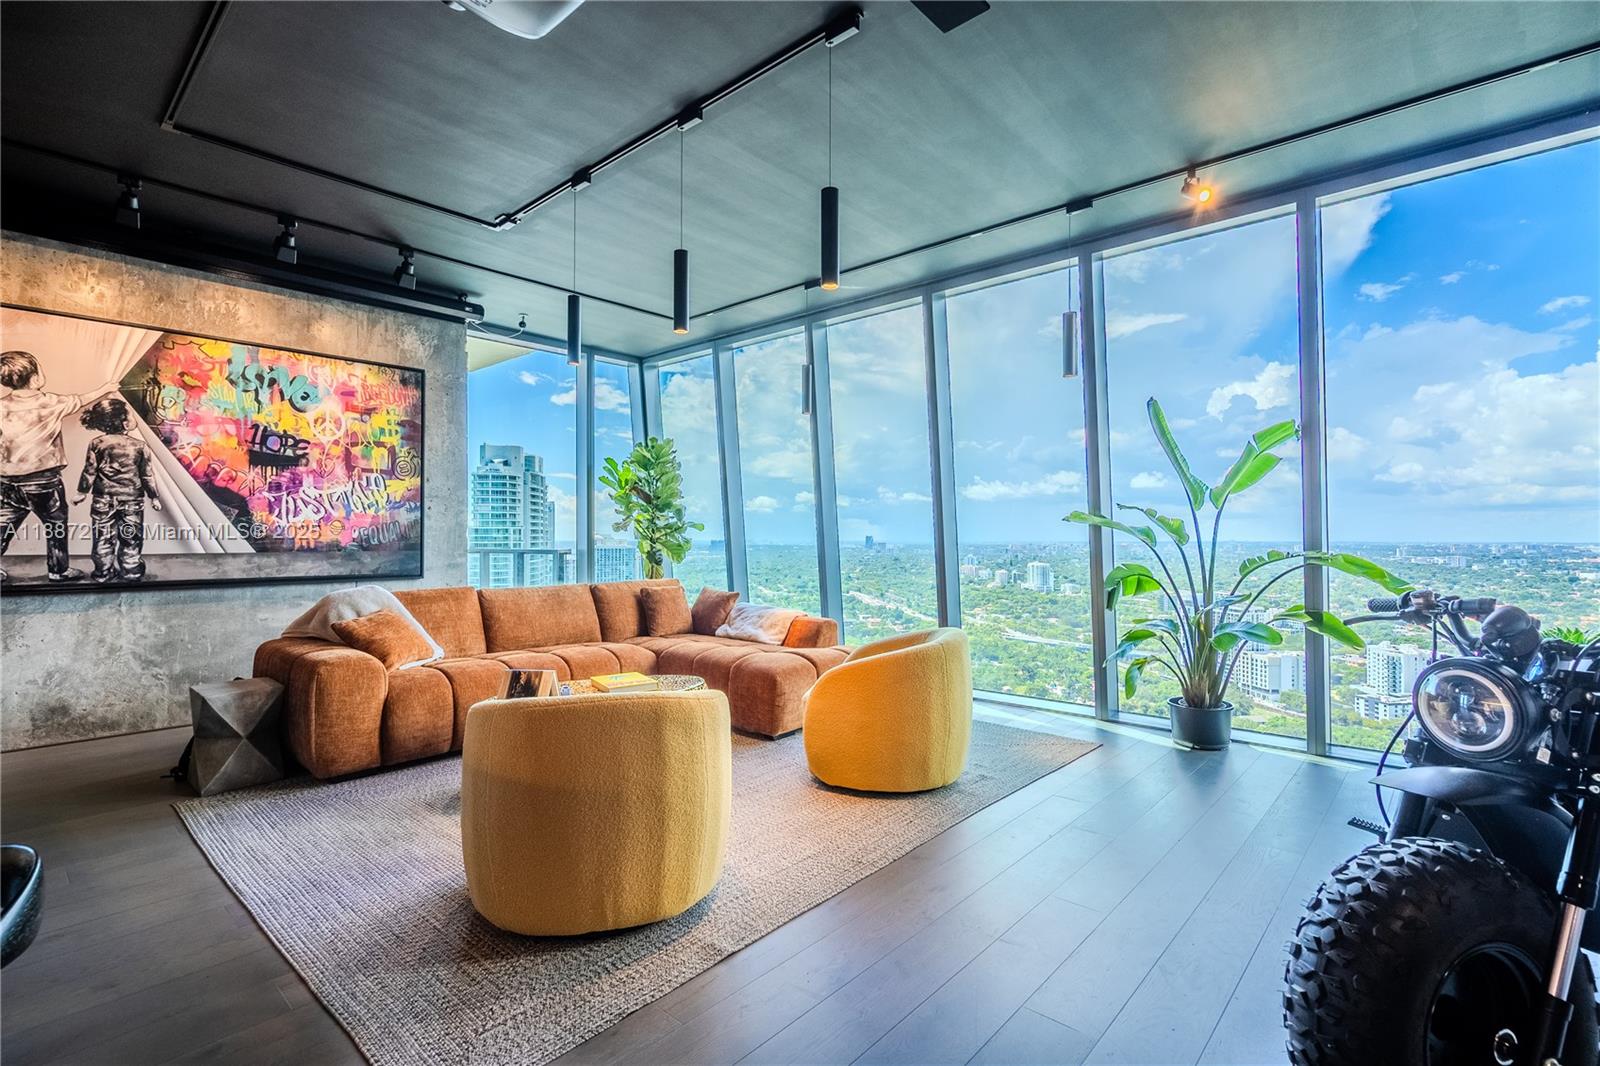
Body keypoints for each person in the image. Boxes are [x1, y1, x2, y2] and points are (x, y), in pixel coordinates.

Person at [0, 351, 121, 583]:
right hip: (45, 481)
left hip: (7, 481)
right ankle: (58, 570)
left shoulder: (1, 406)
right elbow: (81, 398)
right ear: (35, 379)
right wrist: (107, 387)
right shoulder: (51, 403)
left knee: (3, 524)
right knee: (55, 525)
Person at [74, 397, 161, 583]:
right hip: (132, 501)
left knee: (103, 537)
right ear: (124, 421)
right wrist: (153, 496)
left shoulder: (96, 443)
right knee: (131, 536)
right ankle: (131, 571)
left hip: (102, 500)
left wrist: (81, 492)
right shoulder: (140, 446)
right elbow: (147, 475)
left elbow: (89, 471)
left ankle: (103, 572)